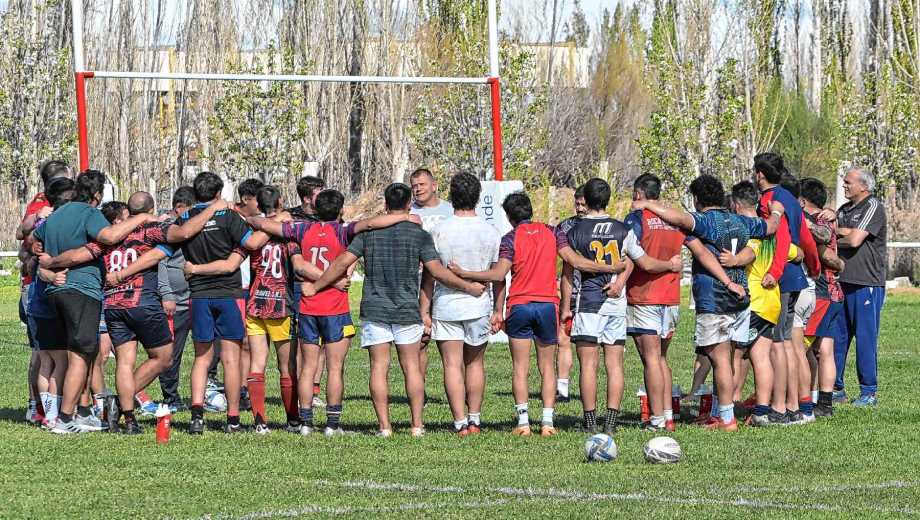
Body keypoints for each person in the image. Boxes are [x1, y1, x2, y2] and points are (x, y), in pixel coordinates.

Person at [40, 191, 226, 433]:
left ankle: (129, 420)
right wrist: (213, 209)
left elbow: (77, 255)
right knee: (163, 357)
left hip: (114, 305)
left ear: (129, 211)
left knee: (125, 363)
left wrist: (50, 262)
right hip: (142, 302)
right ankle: (119, 402)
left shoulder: (109, 239)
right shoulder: (149, 230)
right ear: (150, 210)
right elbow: (184, 232)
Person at [311, 183, 483, 438]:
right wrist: (467, 286)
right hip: (406, 309)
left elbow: (343, 262)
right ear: (408, 204)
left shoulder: (368, 234)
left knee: (379, 367)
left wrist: (317, 285)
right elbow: (436, 272)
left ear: (385, 203)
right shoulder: (418, 234)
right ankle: (416, 425)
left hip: (375, 308)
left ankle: (385, 427)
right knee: (412, 368)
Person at [449, 191, 627, 437]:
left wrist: (464, 273)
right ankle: (547, 423)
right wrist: (611, 268)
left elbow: (498, 274)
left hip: (520, 305)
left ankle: (523, 424)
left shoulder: (510, 238)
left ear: (510, 217)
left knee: (520, 367)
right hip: (547, 306)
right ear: (531, 210)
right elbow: (575, 261)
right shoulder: (553, 232)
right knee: (547, 367)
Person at [252, 188, 418, 435]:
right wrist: (403, 216)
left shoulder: (301, 229)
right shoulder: (343, 231)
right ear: (341, 210)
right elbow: (372, 223)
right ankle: (332, 424)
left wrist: (264, 218)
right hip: (334, 307)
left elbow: (260, 223)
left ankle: (306, 423)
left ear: (316, 210)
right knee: (334, 367)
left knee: (307, 367)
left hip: (308, 306)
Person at [633, 175, 784, 431]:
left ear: (697, 199)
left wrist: (648, 204)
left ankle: (727, 418)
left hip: (715, 297)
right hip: (741, 296)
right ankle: (719, 411)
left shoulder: (706, 221)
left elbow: (679, 218)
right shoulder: (742, 221)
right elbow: (770, 227)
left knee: (720, 360)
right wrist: (778, 213)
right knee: (732, 358)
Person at [31, 170, 157, 434]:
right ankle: (65, 418)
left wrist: (46, 264)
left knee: (84, 352)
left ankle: (85, 411)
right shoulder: (89, 213)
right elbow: (109, 237)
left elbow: (34, 243)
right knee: (80, 354)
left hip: (55, 292)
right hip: (81, 289)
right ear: (97, 195)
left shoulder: (56, 215)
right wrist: (141, 218)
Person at [563, 178, 681, 434]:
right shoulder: (622, 229)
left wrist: (565, 306)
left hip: (588, 303)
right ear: (608, 200)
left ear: (586, 200)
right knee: (614, 364)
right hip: (616, 304)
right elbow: (641, 261)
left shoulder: (574, 231)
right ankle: (612, 421)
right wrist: (668, 265)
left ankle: (590, 421)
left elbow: (567, 273)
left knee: (588, 365)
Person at [625, 173, 738, 432]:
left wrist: (620, 282)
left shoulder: (637, 218)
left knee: (651, 360)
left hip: (645, 297)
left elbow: (631, 255)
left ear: (638, 194)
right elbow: (701, 252)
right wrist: (728, 281)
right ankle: (667, 417)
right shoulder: (674, 220)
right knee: (661, 358)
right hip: (671, 299)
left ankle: (656, 421)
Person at [167, 171, 263, 434]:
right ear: (219, 194)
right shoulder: (228, 216)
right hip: (228, 293)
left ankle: (197, 417)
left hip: (198, 295)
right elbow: (252, 243)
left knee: (201, 358)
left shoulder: (185, 218)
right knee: (231, 358)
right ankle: (233, 419)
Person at [420, 172, 502, 436]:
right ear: (478, 197)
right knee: (475, 363)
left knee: (451, 364)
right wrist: (499, 308)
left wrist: (425, 310)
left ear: (451, 196)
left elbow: (430, 275)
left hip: (446, 304)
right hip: (478, 304)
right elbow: (498, 276)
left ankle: (459, 422)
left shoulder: (439, 230)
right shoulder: (491, 231)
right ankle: (475, 420)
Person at [718, 182, 800, 427]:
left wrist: (734, 260)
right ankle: (762, 411)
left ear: (735, 204)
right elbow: (796, 252)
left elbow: (751, 252)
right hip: (772, 301)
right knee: (761, 356)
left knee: (734, 355)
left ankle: (727, 407)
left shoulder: (751, 229)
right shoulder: (773, 230)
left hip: (754, 301)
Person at [753, 153, 820, 423]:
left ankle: (780, 407)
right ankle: (797, 406)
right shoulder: (792, 198)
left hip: (778, 277)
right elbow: (805, 237)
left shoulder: (771, 200)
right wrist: (814, 267)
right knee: (792, 345)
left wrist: (774, 271)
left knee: (777, 344)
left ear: (760, 174)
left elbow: (780, 238)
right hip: (795, 276)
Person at [18, 160, 72, 424]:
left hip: (42, 286)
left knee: (45, 354)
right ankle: (40, 407)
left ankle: (43, 408)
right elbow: (23, 240)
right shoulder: (43, 207)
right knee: (47, 355)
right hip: (40, 289)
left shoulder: (43, 207)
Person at [833, 167, 886, 407]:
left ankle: (868, 392)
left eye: (848, 182)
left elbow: (854, 240)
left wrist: (839, 234)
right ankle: (836, 388)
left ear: (863, 186)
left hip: (866, 283)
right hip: (841, 282)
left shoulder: (873, 206)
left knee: (865, 338)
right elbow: (830, 236)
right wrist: (840, 233)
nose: (844, 185)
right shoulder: (843, 210)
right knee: (837, 338)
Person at [29, 177, 77, 428]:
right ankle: (53, 414)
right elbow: (41, 270)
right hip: (49, 306)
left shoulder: (42, 225)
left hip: (37, 305)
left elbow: (34, 262)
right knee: (60, 361)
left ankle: (47, 414)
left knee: (46, 361)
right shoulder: (56, 228)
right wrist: (54, 276)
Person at [799, 177, 845, 417]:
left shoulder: (819, 221)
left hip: (822, 292)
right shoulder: (825, 217)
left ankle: (804, 401)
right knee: (822, 349)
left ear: (803, 200)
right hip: (831, 293)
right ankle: (822, 403)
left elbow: (825, 238)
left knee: (801, 347)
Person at [409, 168, 455, 395]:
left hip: (446, 282)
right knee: (420, 339)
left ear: (435, 185)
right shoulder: (407, 211)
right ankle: (420, 390)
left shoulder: (450, 210)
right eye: (414, 185)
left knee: (453, 342)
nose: (417, 189)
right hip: (416, 282)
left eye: (422, 184)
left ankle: (460, 390)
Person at [285, 175, 327, 408]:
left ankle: (315, 387)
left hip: (325, 283)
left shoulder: (329, 215)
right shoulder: (292, 217)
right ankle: (301, 387)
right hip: (299, 285)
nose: (323, 197)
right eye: (318, 193)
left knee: (321, 339)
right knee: (303, 340)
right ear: (306, 198)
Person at [156, 186, 196, 413]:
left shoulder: (198, 227)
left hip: (197, 298)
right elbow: (160, 261)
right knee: (171, 353)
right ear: (178, 209)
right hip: (175, 303)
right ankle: (170, 397)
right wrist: (167, 295)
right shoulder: (169, 230)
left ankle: (207, 391)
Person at [555, 186, 586, 403]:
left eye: (584, 204)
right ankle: (562, 388)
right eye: (577, 203)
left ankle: (588, 385)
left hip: (594, 294)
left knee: (589, 345)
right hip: (570, 290)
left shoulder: (605, 226)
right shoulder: (564, 226)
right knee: (563, 339)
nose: (580, 208)